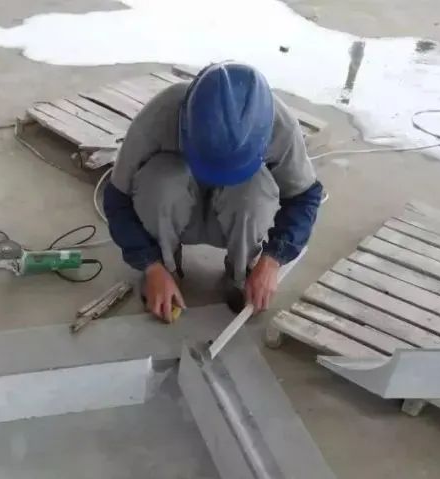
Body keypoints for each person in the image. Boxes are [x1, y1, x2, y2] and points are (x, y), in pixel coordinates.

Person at [102, 62, 323, 321]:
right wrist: (150, 265)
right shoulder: (161, 113)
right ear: (185, 121)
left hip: (233, 220)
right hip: (177, 213)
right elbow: (117, 198)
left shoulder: (280, 126)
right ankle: (165, 266)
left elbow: (304, 197)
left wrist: (273, 260)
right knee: (161, 180)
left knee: (254, 191)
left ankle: (240, 273)